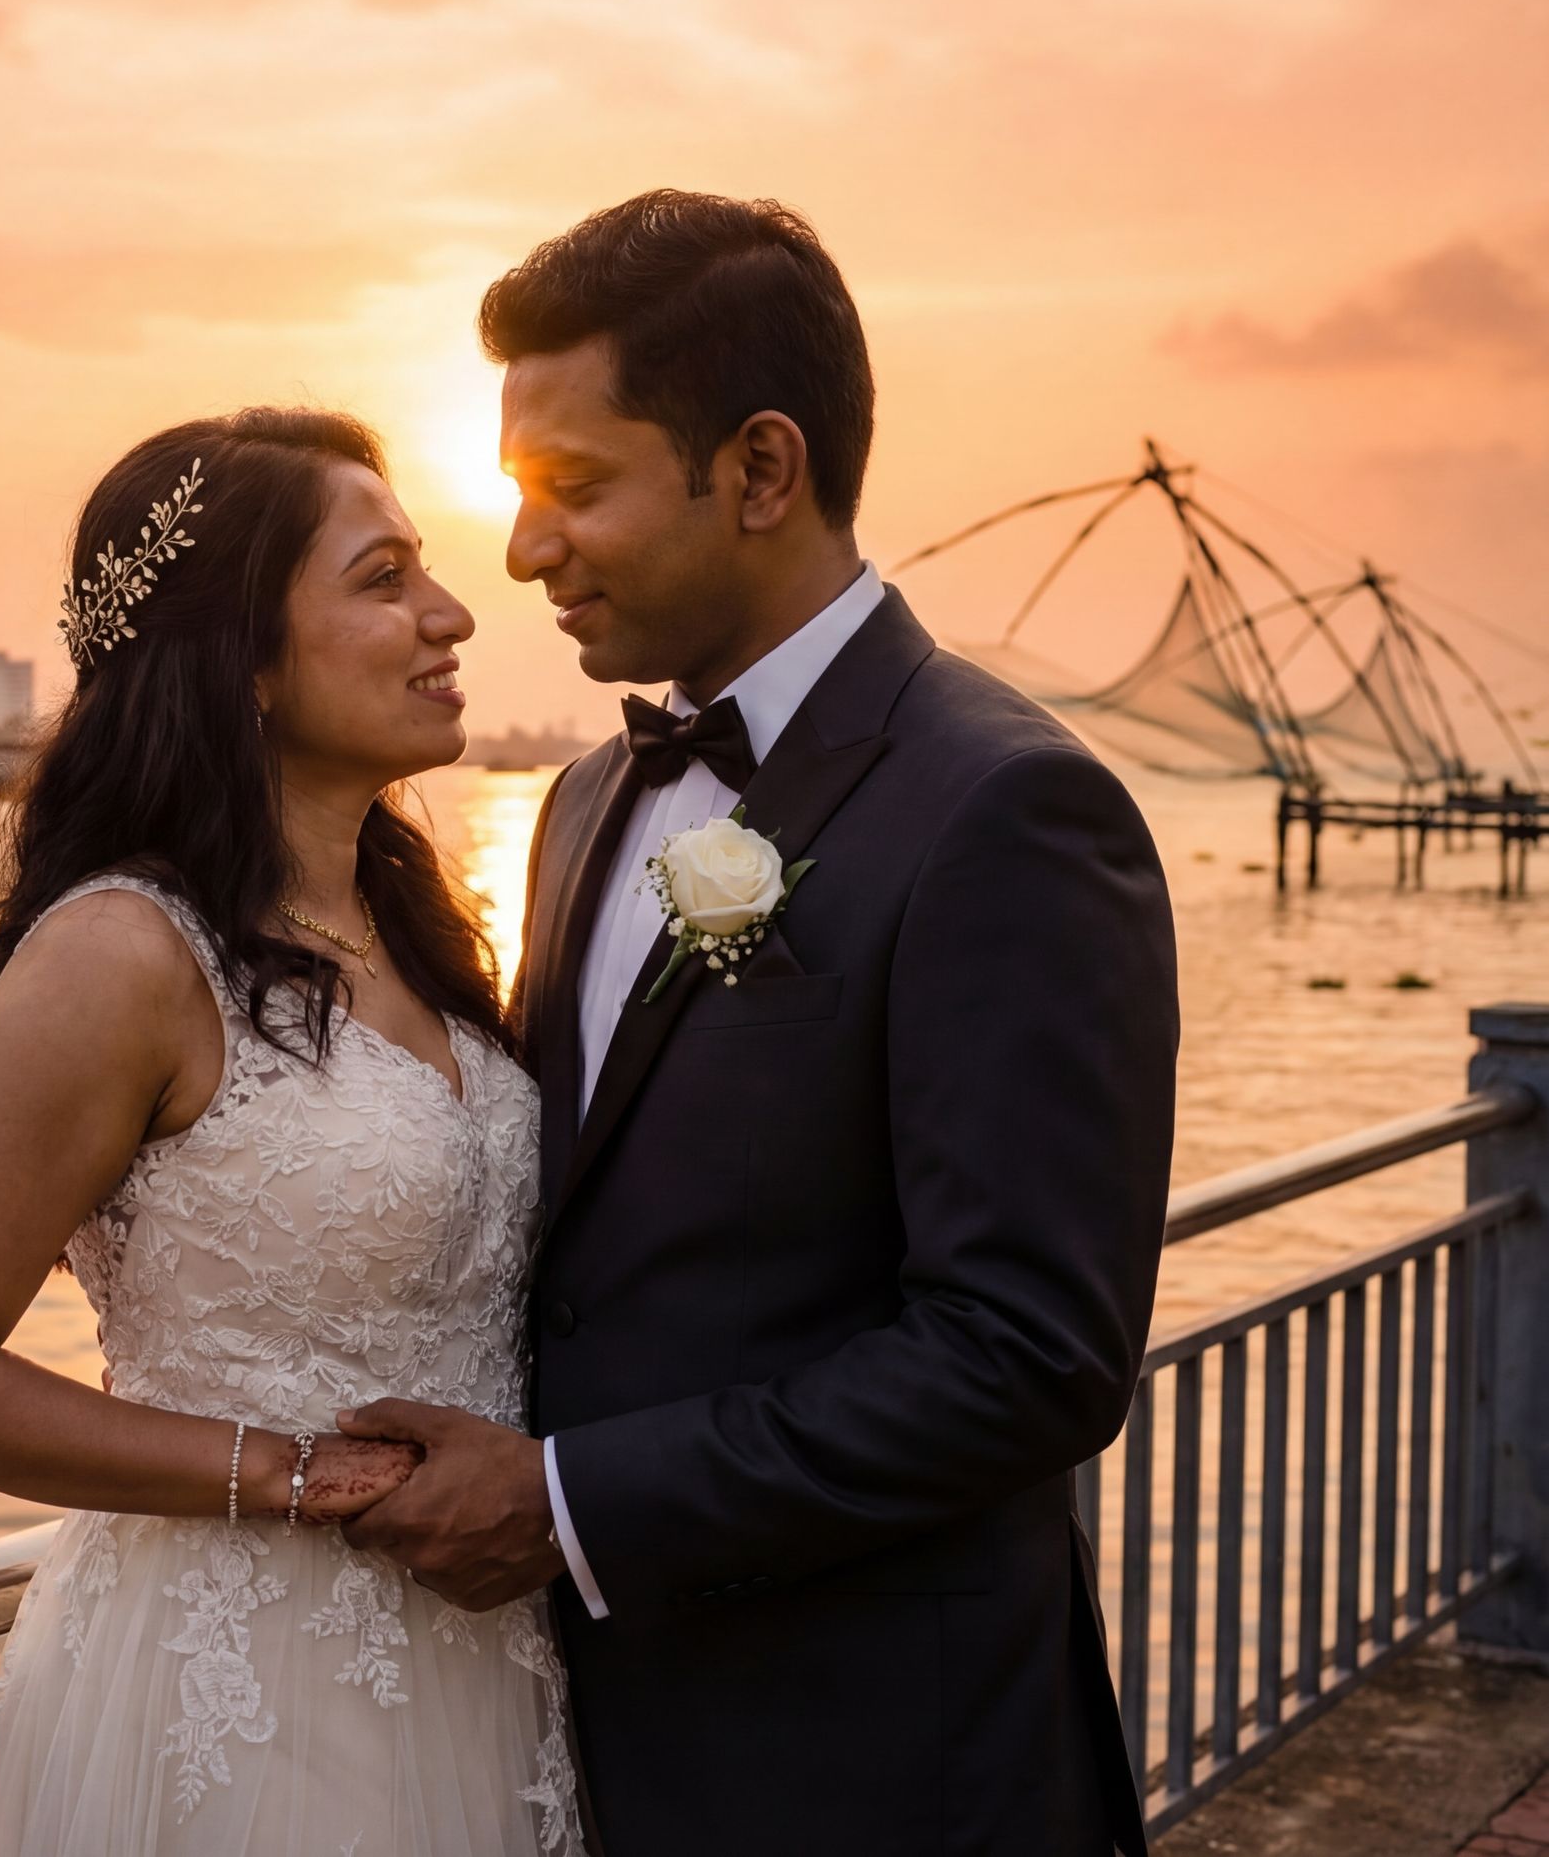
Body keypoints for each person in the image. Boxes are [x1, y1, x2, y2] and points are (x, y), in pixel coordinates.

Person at [335, 191, 1178, 1855]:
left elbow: (1027, 1356)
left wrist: (570, 1504)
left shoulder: (1008, 810)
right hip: (586, 1743)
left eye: (574, 487)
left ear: (762, 469)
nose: (520, 553)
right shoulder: (582, 798)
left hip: (876, 1771)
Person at [0, 410, 585, 1855]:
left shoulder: (418, 933)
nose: (451, 612)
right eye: (382, 578)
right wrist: (289, 1473)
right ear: (241, 657)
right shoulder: (120, 954)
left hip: (490, 1663)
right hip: (235, 1694)